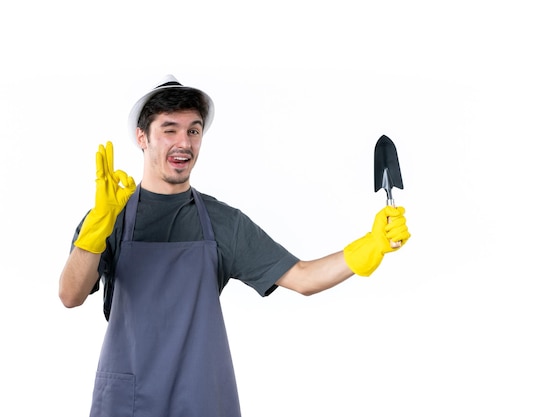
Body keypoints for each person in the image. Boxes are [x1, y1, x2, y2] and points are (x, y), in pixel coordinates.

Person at [58, 74, 411, 417]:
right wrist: (96, 231)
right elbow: (71, 295)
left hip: (200, 397)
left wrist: (371, 245)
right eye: (169, 130)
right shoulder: (108, 216)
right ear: (142, 137)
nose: (184, 142)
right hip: (129, 399)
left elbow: (303, 278)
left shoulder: (222, 223)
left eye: (193, 131)